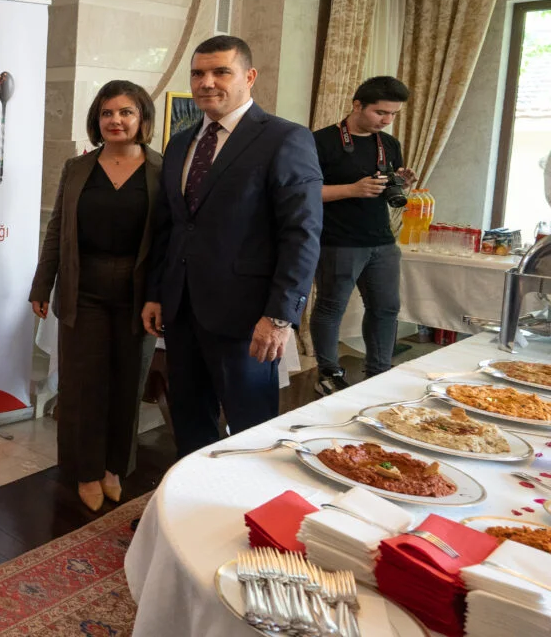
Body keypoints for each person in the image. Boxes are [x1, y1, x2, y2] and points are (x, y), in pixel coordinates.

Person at [142, 35, 322, 459]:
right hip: (182, 311)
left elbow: (301, 233)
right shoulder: (181, 143)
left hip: (247, 318)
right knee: (189, 418)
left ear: (249, 76)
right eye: (198, 73)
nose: (207, 82)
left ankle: (247, 498)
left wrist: (279, 316)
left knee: (250, 426)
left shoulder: (284, 138)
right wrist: (156, 293)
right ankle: (195, 491)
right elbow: (170, 226)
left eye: (221, 72)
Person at [31, 80, 162, 511]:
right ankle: (85, 470)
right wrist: (42, 283)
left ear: (142, 118)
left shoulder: (161, 170)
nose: (115, 120)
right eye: (107, 113)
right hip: (82, 289)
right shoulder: (77, 168)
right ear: (97, 119)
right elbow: (57, 229)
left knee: (128, 383)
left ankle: (113, 467)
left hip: (138, 295)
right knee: (82, 385)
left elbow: (169, 240)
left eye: (126, 112)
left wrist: (161, 295)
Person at [309, 76, 416, 393]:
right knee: (331, 308)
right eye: (380, 112)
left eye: (393, 114)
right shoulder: (321, 141)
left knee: (386, 309)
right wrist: (352, 189)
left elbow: (385, 190)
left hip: (382, 241)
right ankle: (328, 374)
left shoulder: (389, 145)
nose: (387, 120)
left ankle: (379, 372)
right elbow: (302, 192)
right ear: (357, 105)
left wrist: (401, 184)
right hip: (337, 241)